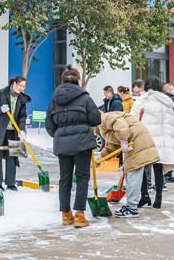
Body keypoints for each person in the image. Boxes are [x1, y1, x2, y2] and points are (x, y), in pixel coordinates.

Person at [46, 65, 101, 228]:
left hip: (62, 145)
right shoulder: (85, 98)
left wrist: (60, 135)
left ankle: (66, 215)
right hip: (82, 142)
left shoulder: (54, 100)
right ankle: (79, 215)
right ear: (78, 81)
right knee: (82, 178)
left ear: (62, 81)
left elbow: (49, 124)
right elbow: (96, 119)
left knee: (65, 179)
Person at [98, 111, 160, 218]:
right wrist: (101, 158)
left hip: (136, 139)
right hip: (133, 139)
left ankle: (132, 208)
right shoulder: (101, 124)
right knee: (129, 173)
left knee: (133, 173)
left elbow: (119, 122)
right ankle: (130, 206)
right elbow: (114, 144)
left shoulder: (103, 118)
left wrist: (123, 140)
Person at [130, 77, 174, 209]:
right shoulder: (166, 101)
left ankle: (144, 195)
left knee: (141, 167)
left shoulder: (143, 99)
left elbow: (132, 118)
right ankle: (158, 199)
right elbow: (171, 123)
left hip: (145, 140)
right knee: (158, 169)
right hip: (161, 141)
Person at [0, 76, 30, 192]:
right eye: (20, 85)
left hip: (13, 131)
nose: (22, 88)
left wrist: (22, 130)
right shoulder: (2, 93)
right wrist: (0, 108)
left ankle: (11, 183)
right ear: (14, 83)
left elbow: (22, 116)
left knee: (13, 156)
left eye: (24, 86)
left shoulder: (21, 98)